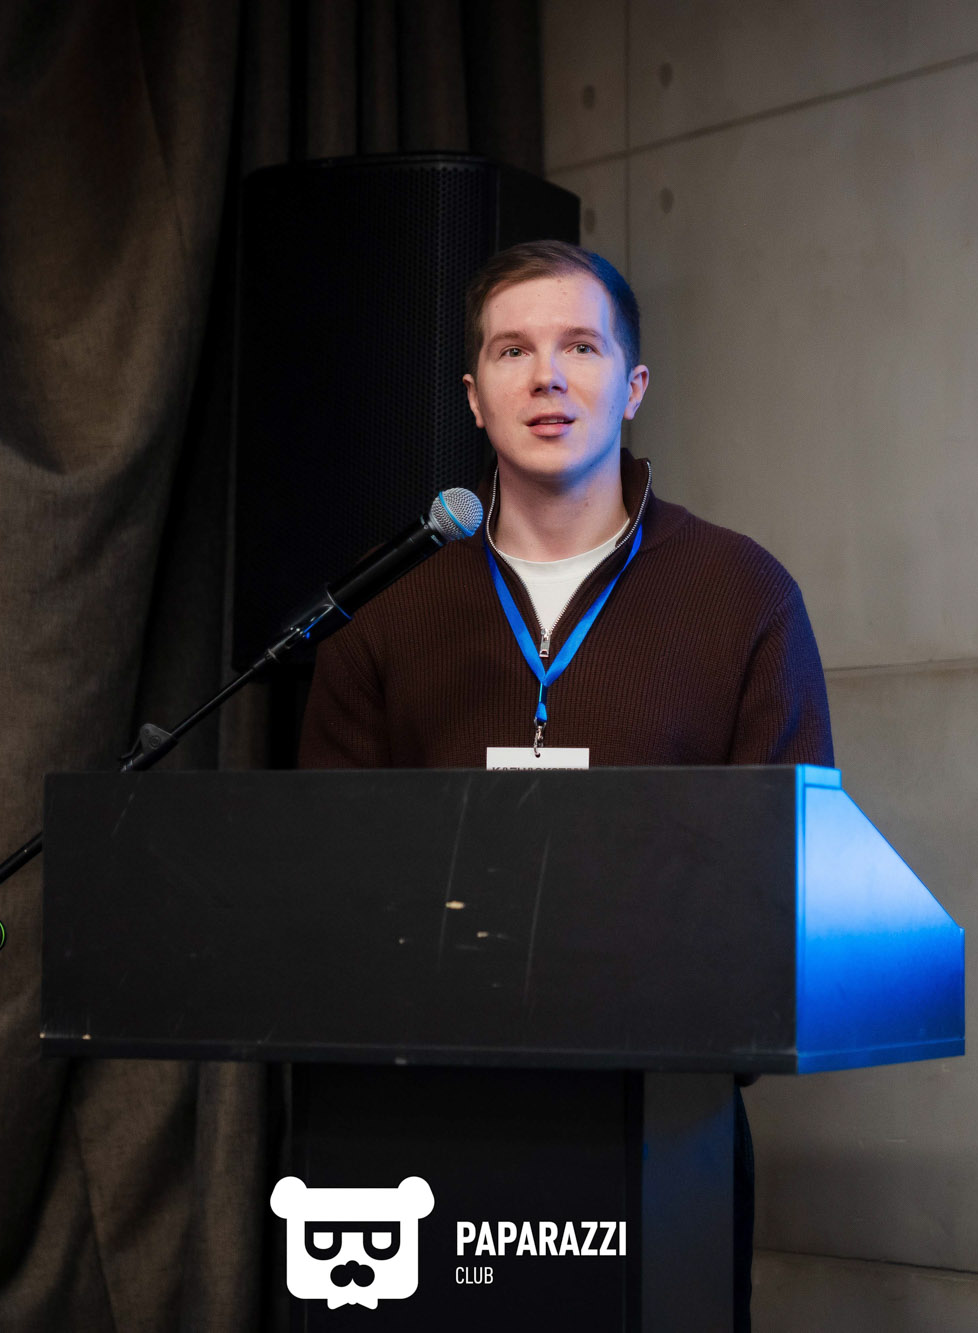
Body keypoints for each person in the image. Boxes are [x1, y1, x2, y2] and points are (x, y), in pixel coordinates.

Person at [297, 239, 835, 1329]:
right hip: (425, 1119)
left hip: (661, 1122)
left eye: (580, 347)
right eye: (513, 351)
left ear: (632, 387)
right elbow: (332, 878)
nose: (547, 376)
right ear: (473, 396)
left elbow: (787, 871)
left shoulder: (742, 593)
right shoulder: (385, 610)